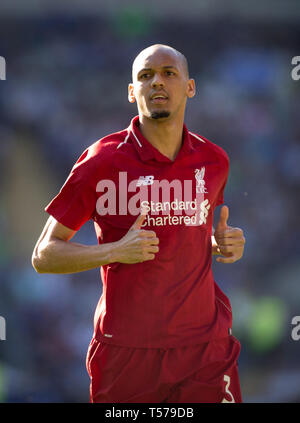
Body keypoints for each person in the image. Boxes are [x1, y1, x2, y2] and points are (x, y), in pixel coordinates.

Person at [32, 44, 245, 403]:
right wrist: (116, 250)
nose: (157, 82)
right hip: (126, 352)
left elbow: (186, 233)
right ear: (133, 92)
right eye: (145, 76)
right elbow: (43, 255)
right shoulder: (101, 162)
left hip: (205, 348)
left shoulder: (214, 160)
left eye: (168, 73)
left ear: (190, 87)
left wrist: (218, 243)